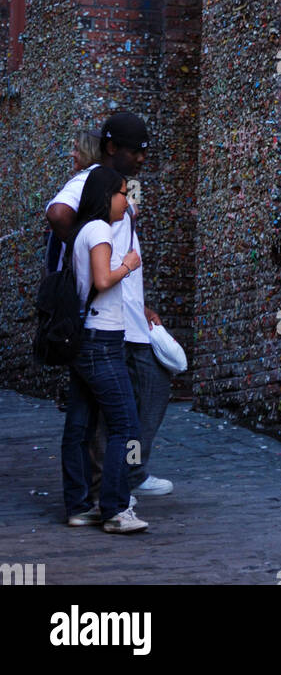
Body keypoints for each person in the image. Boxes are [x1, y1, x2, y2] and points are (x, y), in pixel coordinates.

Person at [46, 111, 174, 497]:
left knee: (140, 393)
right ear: (113, 147)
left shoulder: (118, 186)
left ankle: (118, 480)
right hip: (105, 321)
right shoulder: (88, 182)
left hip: (128, 314)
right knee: (116, 412)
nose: (141, 159)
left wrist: (142, 303)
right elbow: (57, 214)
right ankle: (112, 491)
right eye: (136, 151)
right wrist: (87, 255)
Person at [61, 166, 148, 533]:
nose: (126, 200)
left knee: (80, 424)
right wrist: (127, 265)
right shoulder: (98, 229)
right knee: (125, 423)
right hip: (102, 342)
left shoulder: (83, 230)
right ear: (105, 196)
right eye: (121, 194)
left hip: (86, 339)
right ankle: (114, 509)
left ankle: (80, 506)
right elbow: (102, 279)